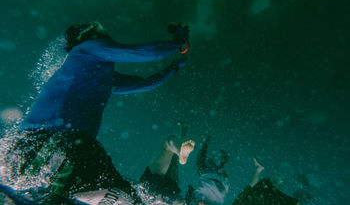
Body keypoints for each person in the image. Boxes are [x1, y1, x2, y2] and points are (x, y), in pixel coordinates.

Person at [3, 21, 190, 204]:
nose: (102, 28)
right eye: (96, 27)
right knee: (125, 196)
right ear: (84, 35)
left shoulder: (104, 77)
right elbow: (140, 52)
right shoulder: (86, 49)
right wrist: (177, 43)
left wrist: (172, 68)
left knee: (127, 197)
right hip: (53, 141)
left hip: (59, 146)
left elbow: (146, 83)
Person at [139, 122, 195, 204]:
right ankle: (179, 150)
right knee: (168, 146)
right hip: (148, 190)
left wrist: (188, 195)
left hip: (165, 195)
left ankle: (183, 132)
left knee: (174, 156)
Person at [232, 158, 300, 205]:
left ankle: (278, 180)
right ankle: (278, 179)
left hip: (260, 197)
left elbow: (247, 189)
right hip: (260, 197)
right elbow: (248, 189)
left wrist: (258, 170)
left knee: (264, 192)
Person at [184, 136, 230, 205]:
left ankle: (206, 143)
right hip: (211, 182)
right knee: (201, 166)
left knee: (201, 166)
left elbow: (193, 194)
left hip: (215, 182)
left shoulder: (201, 196)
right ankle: (206, 143)